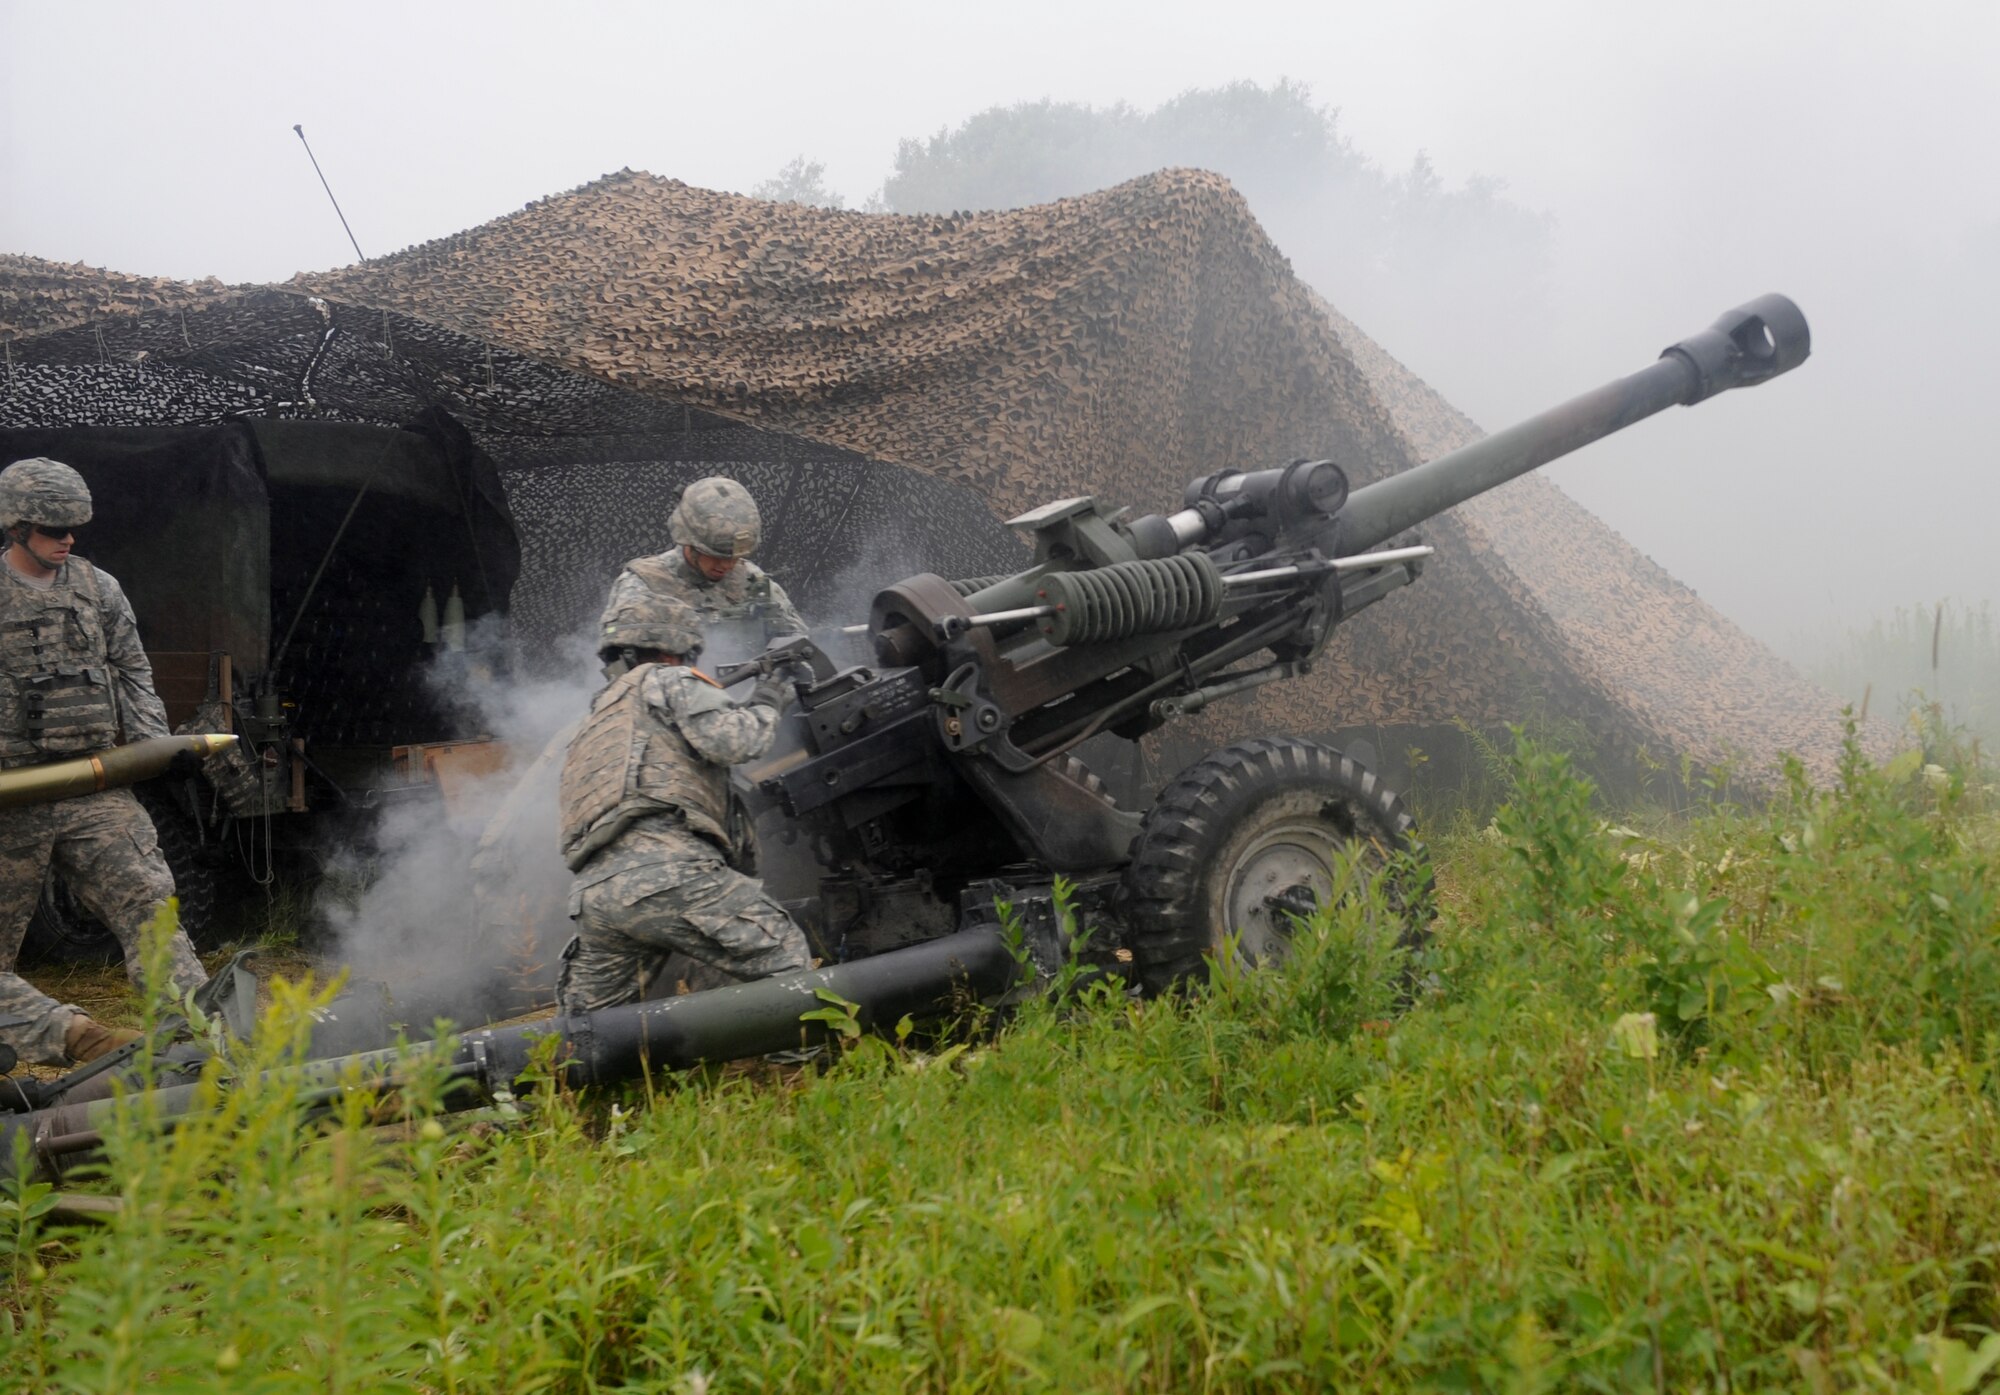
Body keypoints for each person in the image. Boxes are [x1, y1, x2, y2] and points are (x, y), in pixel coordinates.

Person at [0, 457, 206, 1066]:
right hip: (12, 796)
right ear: (15, 527)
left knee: (149, 900)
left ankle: (190, 1044)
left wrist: (149, 747)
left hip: (95, 788)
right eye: (52, 530)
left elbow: (132, 669)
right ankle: (62, 1042)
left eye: (73, 529)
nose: (67, 540)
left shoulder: (98, 588)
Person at [556, 590, 811, 1014]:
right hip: (669, 872)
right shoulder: (668, 679)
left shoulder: (597, 717)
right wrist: (768, 698)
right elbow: (737, 741)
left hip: (595, 895)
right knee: (784, 956)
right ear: (678, 648)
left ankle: (573, 1081)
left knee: (591, 1034)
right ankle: (800, 1070)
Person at [597, 476, 806, 672]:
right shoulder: (643, 585)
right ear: (688, 541)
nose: (727, 565)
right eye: (715, 555)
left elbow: (797, 643)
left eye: (734, 557)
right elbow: (623, 676)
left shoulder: (750, 580)